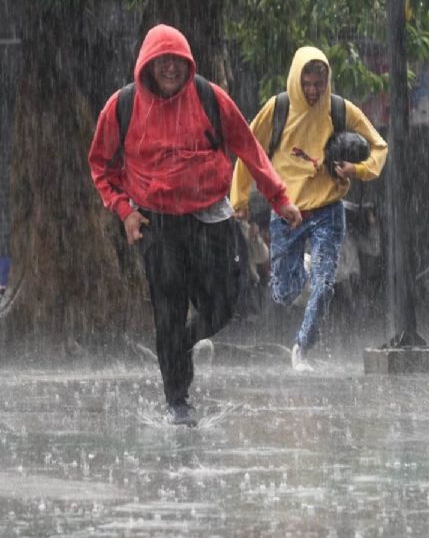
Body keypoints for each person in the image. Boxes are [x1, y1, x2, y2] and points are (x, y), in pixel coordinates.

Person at [88, 24, 301, 427]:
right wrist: (124, 211)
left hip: (210, 219)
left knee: (224, 304)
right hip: (158, 225)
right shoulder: (122, 107)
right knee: (167, 312)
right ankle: (178, 400)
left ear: (187, 63)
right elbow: (101, 164)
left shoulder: (209, 97)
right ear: (147, 65)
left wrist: (280, 198)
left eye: (177, 61)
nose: (170, 68)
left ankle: (182, 344)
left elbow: (249, 149)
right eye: (161, 61)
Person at [230, 46, 388, 372]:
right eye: (307, 83)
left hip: (329, 210)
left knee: (325, 283)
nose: (313, 90)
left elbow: (378, 146)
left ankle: (302, 346)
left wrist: (356, 169)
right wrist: (240, 199)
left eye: (319, 83)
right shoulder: (278, 109)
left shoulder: (340, 109)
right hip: (287, 211)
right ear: (295, 80)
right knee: (285, 292)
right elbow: (249, 149)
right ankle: (301, 267)